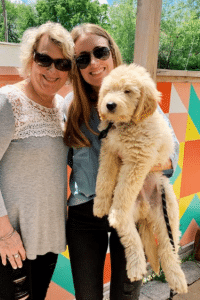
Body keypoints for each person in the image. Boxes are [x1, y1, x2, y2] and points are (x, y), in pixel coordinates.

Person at [63, 23, 179, 300]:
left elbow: (170, 158)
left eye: (100, 52)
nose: (93, 63)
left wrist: (133, 161)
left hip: (132, 209)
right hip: (84, 213)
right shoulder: (70, 105)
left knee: (126, 295)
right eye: (82, 58)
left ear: (112, 52)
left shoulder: (138, 95)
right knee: (87, 296)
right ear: (76, 66)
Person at [0, 21, 74, 300]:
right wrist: (5, 234)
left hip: (47, 234)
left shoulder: (61, 106)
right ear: (30, 59)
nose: (53, 70)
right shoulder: (8, 100)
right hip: (11, 237)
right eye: (44, 59)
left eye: (62, 63)